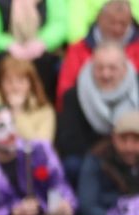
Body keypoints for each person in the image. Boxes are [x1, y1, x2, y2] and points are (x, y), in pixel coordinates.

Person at [56, 41, 139, 173]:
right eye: (100, 68)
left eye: (112, 68)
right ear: (91, 67)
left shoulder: (137, 89)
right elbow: (70, 142)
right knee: (72, 163)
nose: (106, 75)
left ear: (124, 68)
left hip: (134, 154)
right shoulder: (73, 96)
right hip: (92, 158)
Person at [0, 0, 71, 90]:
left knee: (45, 62)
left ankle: (39, 105)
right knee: (2, 64)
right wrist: (10, 45)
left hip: (40, 53)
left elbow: (60, 24)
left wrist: (41, 42)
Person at [58, 0, 139, 107]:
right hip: (85, 111)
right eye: (112, 22)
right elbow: (64, 93)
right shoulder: (78, 50)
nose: (117, 28)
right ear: (99, 18)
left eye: (123, 24)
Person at [0, 55, 57, 149]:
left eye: (21, 81)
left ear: (31, 84)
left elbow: (42, 148)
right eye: (9, 82)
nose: (15, 87)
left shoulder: (43, 109)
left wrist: (17, 113)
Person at [78, 107, 139, 215]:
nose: (129, 147)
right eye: (123, 139)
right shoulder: (97, 159)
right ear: (114, 138)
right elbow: (88, 206)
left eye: (136, 140)